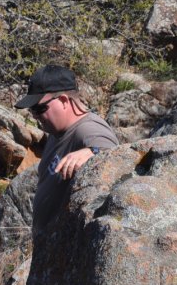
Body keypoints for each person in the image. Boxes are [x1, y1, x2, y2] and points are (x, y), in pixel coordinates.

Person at [16, 64, 119, 236]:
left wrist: (93, 152)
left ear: (64, 101)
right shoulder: (56, 131)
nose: (35, 115)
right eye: (32, 110)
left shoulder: (87, 129)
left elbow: (115, 154)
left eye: (39, 108)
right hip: (49, 249)